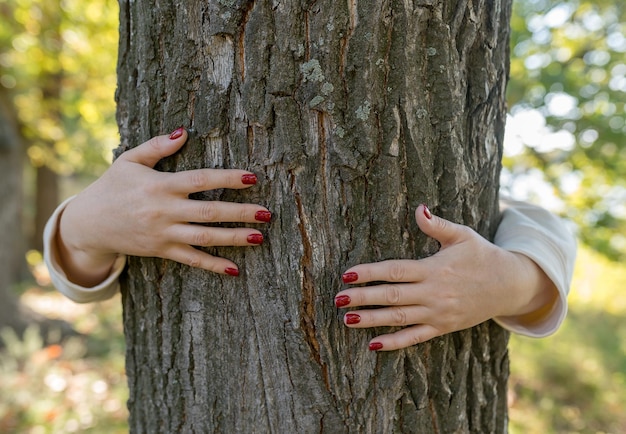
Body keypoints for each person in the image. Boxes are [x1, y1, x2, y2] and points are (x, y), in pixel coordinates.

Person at [44, 127, 577, 351]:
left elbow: (538, 228)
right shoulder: (142, 178)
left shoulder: (472, 183)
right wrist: (83, 226)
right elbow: (85, 279)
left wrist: (513, 282)